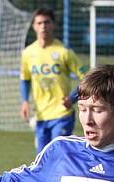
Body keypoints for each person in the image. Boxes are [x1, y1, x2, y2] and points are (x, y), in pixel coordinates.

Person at [20, 8, 86, 154]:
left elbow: (87, 78)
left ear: (53, 25)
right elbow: (25, 79)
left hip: (62, 113)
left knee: (57, 155)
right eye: (39, 23)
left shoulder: (64, 51)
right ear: (34, 26)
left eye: (47, 22)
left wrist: (72, 98)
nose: (43, 26)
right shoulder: (27, 53)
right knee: (42, 159)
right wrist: (24, 101)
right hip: (41, 115)